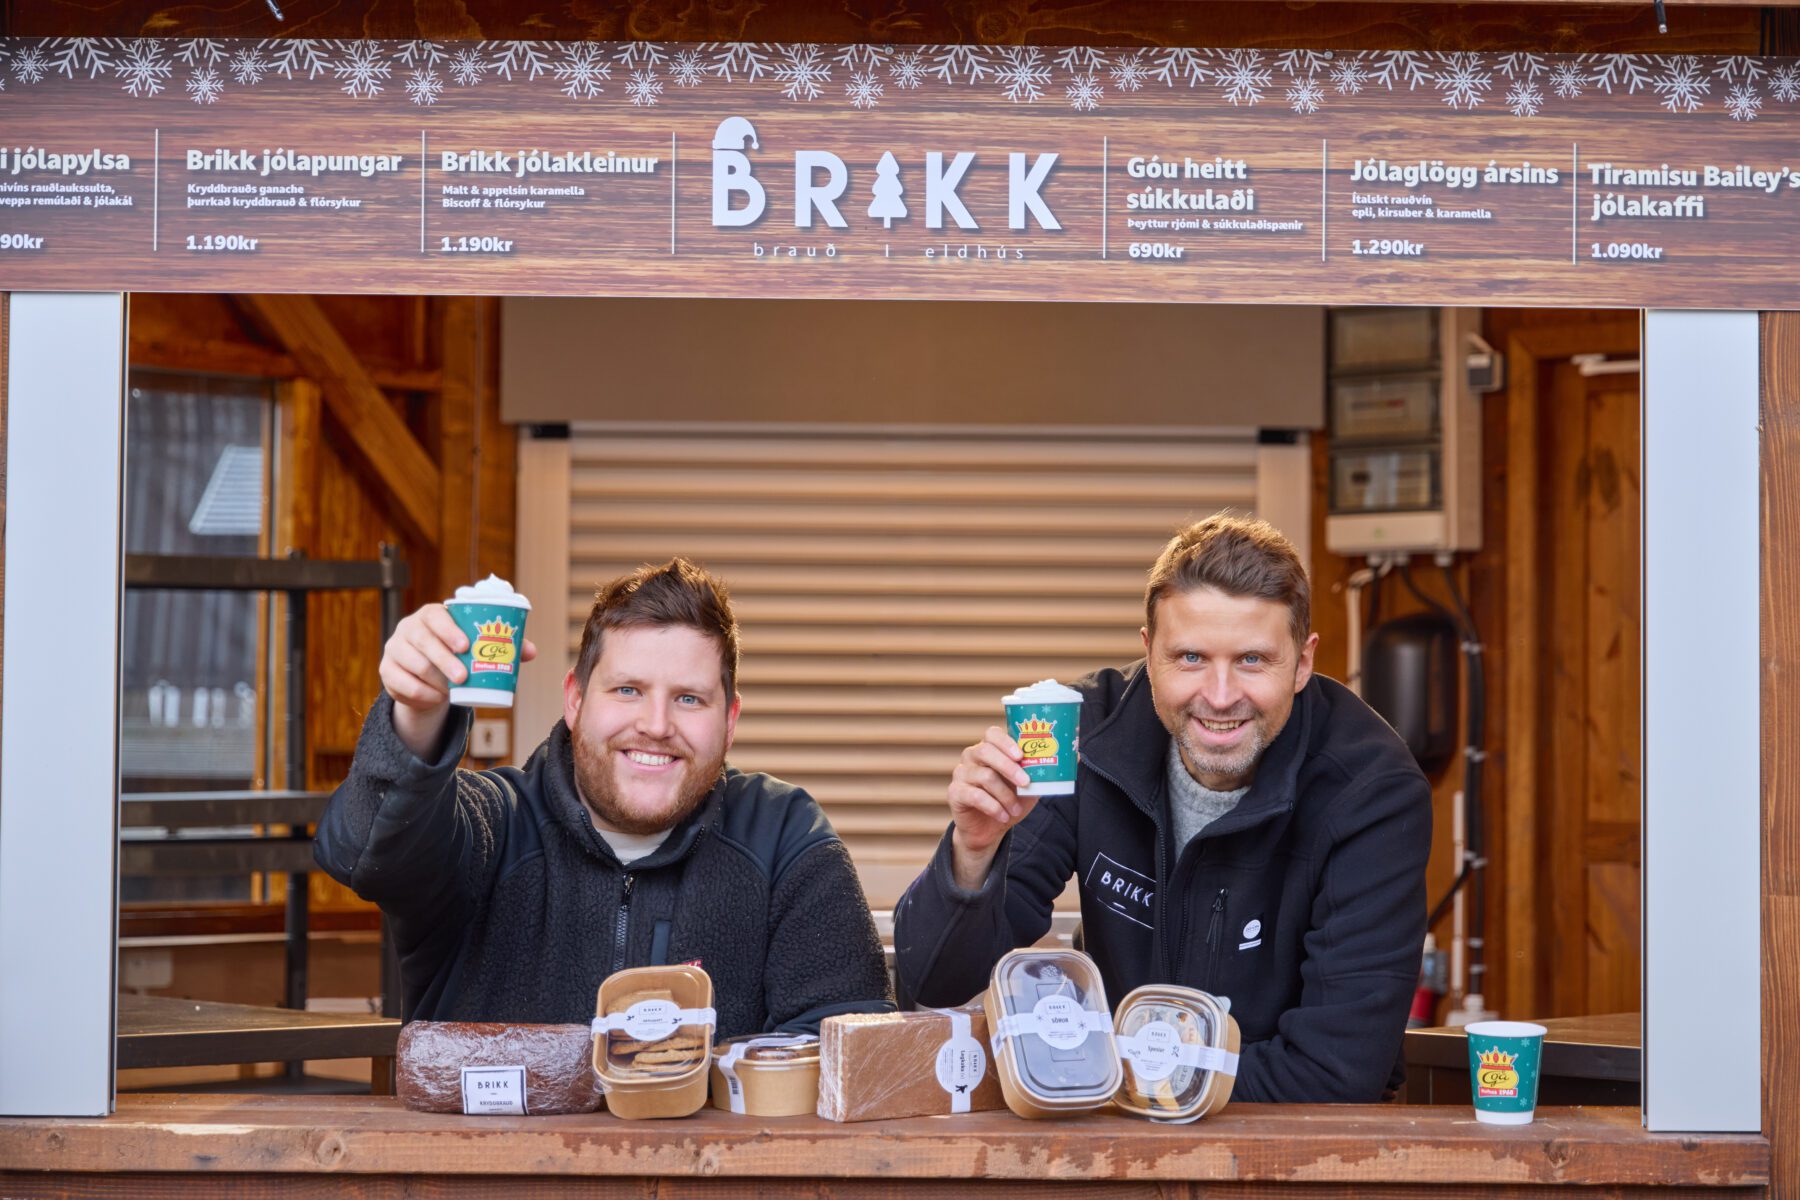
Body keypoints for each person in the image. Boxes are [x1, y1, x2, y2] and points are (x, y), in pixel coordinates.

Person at [894, 515, 1431, 1102]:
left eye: (1252, 660)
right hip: (1119, 1126)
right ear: (1149, 654)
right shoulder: (1085, 737)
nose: (1220, 696)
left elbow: (1336, 1073)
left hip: (1292, 1140)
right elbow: (934, 985)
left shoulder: (1371, 789)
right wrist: (974, 851)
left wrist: (1123, 1079)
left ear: (1302, 663)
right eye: (1191, 657)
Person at [315, 557, 894, 1036]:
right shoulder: (492, 827)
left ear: (730, 720)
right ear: (574, 700)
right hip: (486, 1151)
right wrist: (415, 716)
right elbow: (362, 850)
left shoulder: (783, 838)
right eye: (627, 690)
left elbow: (848, 1047)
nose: (656, 725)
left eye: (689, 699)